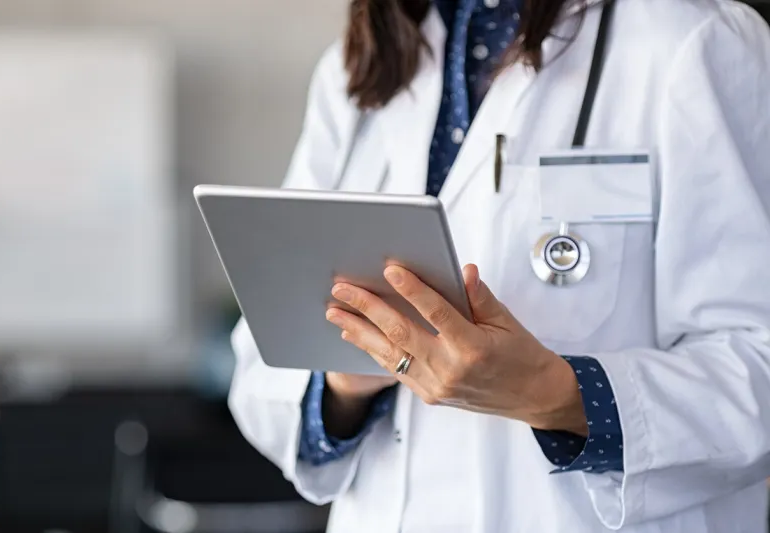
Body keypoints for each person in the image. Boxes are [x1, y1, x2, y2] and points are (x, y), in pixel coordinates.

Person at [229, 0, 770, 531]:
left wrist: (557, 394)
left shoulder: (697, 41)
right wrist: (344, 384)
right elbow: (263, 367)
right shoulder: (360, 64)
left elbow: (757, 367)